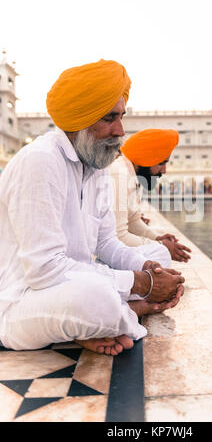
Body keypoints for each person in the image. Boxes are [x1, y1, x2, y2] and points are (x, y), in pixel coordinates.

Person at [0, 58, 184, 356]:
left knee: (158, 254)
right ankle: (131, 310)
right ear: (80, 120)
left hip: (69, 283)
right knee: (95, 299)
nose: (120, 130)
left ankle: (104, 320)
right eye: (109, 118)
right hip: (20, 301)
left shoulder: (95, 167)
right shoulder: (40, 161)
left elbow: (107, 243)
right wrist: (142, 283)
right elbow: (45, 270)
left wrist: (146, 268)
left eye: (121, 117)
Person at [109, 129, 192, 262]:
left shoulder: (134, 175)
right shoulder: (119, 175)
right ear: (146, 158)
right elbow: (118, 237)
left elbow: (133, 220)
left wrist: (156, 238)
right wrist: (161, 247)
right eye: (161, 163)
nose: (164, 171)